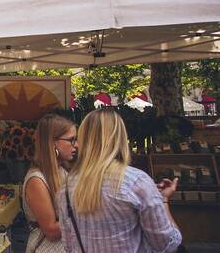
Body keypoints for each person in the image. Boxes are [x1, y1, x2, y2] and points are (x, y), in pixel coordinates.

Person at [56, 108, 181, 252]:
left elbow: (68, 246)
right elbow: (167, 244)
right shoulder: (136, 183)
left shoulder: (66, 188)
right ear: (120, 138)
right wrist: (164, 200)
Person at [22, 114, 77, 253]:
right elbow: (51, 231)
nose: (76, 144)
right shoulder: (36, 180)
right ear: (53, 143)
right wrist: (86, 215)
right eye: (71, 140)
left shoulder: (63, 169)